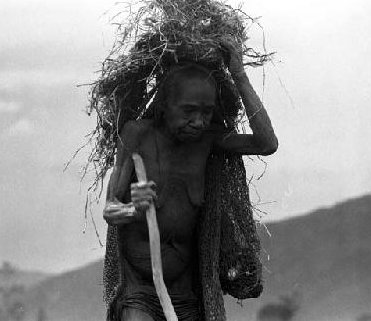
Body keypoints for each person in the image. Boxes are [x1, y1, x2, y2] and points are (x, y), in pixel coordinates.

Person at [103, 38, 278, 321]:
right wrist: (133, 208)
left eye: (205, 112)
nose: (197, 121)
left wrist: (240, 75)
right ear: (164, 106)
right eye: (188, 111)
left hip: (186, 297)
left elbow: (266, 143)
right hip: (140, 294)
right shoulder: (137, 135)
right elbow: (110, 210)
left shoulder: (207, 140)